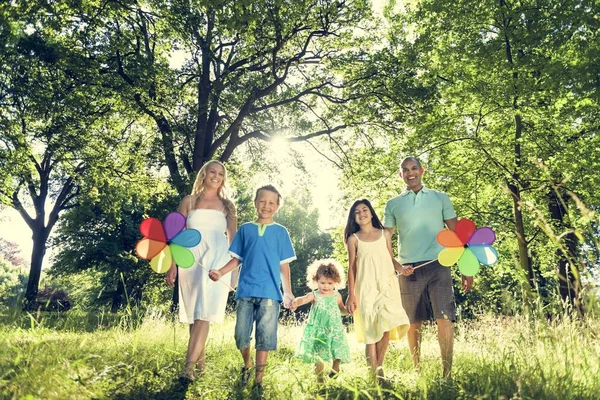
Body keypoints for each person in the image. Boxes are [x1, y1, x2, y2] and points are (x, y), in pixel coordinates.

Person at [383, 156, 473, 378]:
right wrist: (394, 266)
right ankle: (417, 371)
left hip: (439, 265)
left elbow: (458, 233)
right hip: (408, 269)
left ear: (422, 171)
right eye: (405, 170)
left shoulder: (440, 198)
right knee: (413, 323)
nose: (410, 173)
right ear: (400, 175)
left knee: (444, 319)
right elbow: (385, 238)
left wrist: (466, 267)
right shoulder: (393, 204)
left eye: (414, 168)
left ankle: (447, 374)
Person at [209, 185, 295, 396]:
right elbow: (237, 259)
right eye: (262, 201)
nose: (266, 206)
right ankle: (247, 364)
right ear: (256, 202)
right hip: (246, 291)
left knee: (265, 337)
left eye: (271, 203)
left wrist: (288, 292)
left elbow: (284, 265)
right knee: (241, 336)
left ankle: (258, 379)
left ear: (277, 206)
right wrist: (220, 272)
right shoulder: (246, 229)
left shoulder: (281, 232)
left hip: (270, 293)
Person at [164, 160, 238, 381]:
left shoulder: (228, 206)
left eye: (221, 174)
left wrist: (233, 273)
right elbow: (175, 235)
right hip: (191, 261)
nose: (216, 176)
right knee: (196, 313)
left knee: (204, 312)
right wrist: (172, 265)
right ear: (204, 174)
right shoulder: (188, 201)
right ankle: (200, 366)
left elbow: (235, 243)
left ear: (223, 178)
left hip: (217, 259)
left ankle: (187, 369)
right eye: (213, 172)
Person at [344, 199, 410, 382]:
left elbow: (390, 258)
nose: (362, 213)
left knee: (386, 325)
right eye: (357, 212)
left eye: (364, 209)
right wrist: (351, 295)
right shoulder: (353, 239)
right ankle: (375, 375)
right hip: (365, 288)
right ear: (354, 218)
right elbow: (351, 268)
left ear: (371, 213)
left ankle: (378, 370)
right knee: (370, 331)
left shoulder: (385, 234)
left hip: (387, 286)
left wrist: (401, 269)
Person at [292, 259, 351, 383]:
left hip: (335, 329)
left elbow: (342, 310)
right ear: (316, 280)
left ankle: (335, 370)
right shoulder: (315, 295)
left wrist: (349, 311)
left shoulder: (337, 296)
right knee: (319, 356)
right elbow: (303, 299)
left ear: (335, 282)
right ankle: (319, 380)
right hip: (320, 330)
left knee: (338, 351)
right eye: (322, 282)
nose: (326, 286)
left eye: (330, 283)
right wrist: (296, 303)